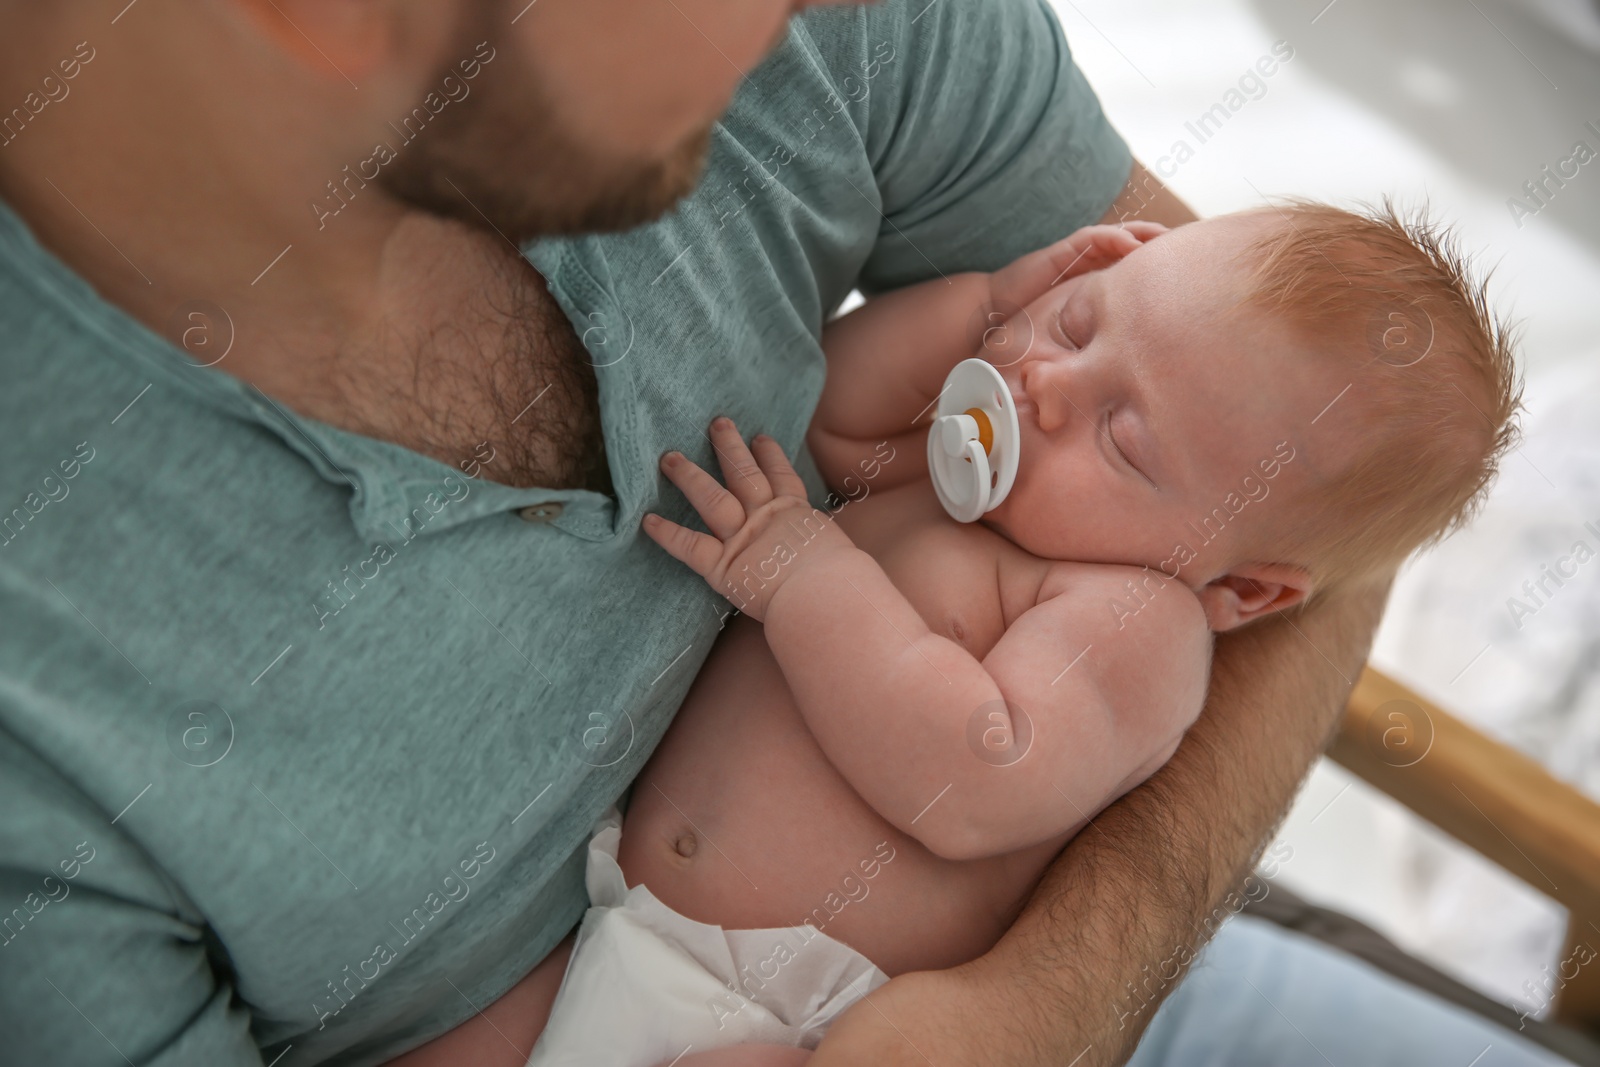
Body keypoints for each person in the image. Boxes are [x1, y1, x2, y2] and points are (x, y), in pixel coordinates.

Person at [0, 0, 1531, 1064]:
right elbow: (843, 436)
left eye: (1119, 426)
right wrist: (995, 312)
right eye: (1072, 325)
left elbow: (1327, 529)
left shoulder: (1136, 601)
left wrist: (1051, 1010)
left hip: (897, 983)